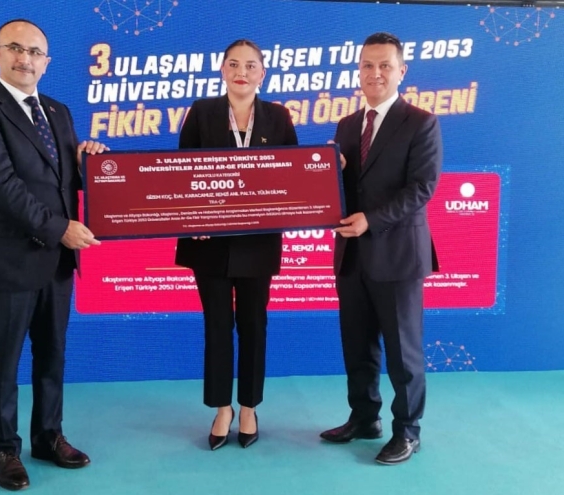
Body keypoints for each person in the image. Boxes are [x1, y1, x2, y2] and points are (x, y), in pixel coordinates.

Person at [0, 19, 107, 490]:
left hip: (55, 264)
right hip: (5, 261)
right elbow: (0, 186)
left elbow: (59, 182)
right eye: (16, 49)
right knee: (1, 363)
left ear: (47, 62)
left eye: (35, 52)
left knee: (52, 355)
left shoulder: (58, 112)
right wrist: (60, 229)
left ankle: (48, 436)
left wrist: (88, 163)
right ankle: (3, 449)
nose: (25, 59)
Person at [319, 32, 442, 465]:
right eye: (367, 65)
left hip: (398, 254)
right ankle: (363, 417)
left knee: (404, 352)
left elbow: (422, 188)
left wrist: (371, 219)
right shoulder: (347, 125)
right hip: (352, 254)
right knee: (357, 345)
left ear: (401, 71)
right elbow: (344, 186)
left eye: (384, 65)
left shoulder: (421, 122)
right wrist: (327, 176)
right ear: (358, 71)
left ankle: (408, 431)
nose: (375, 73)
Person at [175, 39, 298, 451]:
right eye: (233, 64)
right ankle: (221, 408)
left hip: (258, 242)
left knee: (253, 324)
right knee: (216, 325)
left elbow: (292, 174)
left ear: (262, 73)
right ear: (222, 69)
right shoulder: (202, 111)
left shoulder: (278, 116)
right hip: (209, 241)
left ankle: (248, 407)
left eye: (250, 65)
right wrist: (194, 218)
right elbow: (183, 172)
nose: (241, 72)